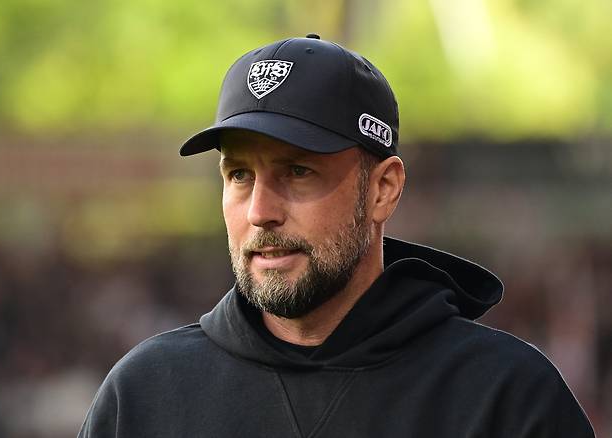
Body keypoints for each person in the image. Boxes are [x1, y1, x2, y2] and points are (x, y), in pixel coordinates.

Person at [79, 34, 595, 437]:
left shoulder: (505, 397)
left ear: (383, 190)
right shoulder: (145, 395)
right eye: (239, 175)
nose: (260, 212)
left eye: (298, 172)